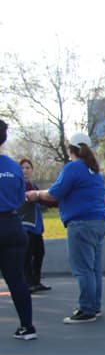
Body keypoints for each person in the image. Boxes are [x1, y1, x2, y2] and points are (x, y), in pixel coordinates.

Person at [26, 132, 105, 324]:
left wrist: (36, 194)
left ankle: (86, 309)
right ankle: (94, 306)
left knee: (82, 268)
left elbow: (55, 192)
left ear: (70, 149)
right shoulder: (94, 170)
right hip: (99, 222)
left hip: (80, 223)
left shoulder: (73, 167)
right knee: (94, 268)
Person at [0, 120, 36, 340]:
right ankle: (27, 327)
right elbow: (20, 197)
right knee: (16, 279)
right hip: (13, 226)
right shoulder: (14, 166)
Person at [18, 157, 52, 292]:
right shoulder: (20, 184)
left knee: (39, 253)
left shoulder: (33, 184)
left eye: (28, 168)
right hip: (25, 223)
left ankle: (36, 281)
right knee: (27, 254)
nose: (25, 170)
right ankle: (28, 282)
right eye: (22, 168)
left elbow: (43, 199)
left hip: (36, 226)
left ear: (32, 170)